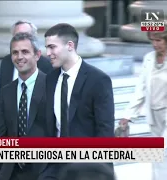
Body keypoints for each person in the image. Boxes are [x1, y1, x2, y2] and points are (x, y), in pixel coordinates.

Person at [43, 23, 115, 179]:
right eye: (47, 47)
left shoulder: (98, 80)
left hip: (85, 168)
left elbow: (105, 130)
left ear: (70, 45)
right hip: (53, 167)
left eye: (52, 47)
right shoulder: (50, 79)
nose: (48, 53)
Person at [0, 32, 48, 180]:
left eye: (25, 52)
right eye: (15, 52)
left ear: (37, 55)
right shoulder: (7, 92)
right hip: (11, 172)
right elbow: (0, 137)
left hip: (44, 171)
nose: (19, 57)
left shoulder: (53, 87)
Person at [121, 22, 167, 180]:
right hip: (155, 117)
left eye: (159, 40)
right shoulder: (148, 59)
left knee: (160, 156)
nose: (155, 44)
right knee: (165, 161)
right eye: (152, 40)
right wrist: (128, 116)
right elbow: (141, 89)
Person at [0, 20, 53, 128]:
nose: (19, 56)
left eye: (26, 36)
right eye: (18, 36)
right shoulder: (6, 62)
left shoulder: (48, 67)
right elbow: (1, 98)